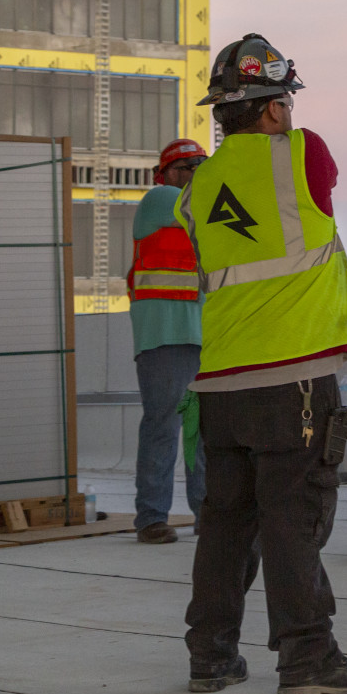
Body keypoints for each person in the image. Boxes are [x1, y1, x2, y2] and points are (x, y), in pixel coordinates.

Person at [177, 33, 347, 694]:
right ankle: (307, 657)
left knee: (226, 521)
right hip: (291, 372)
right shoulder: (303, 153)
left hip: (220, 381)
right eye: (285, 100)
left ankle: (210, 655)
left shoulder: (199, 182)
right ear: (272, 108)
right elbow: (319, 205)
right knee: (293, 518)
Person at [127, 137, 209, 544]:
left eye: (199, 166)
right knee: (164, 425)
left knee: (202, 431)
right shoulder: (160, 199)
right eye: (185, 167)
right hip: (163, 335)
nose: (193, 173)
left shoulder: (204, 212)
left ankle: (207, 513)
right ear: (164, 174)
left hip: (204, 334)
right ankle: (152, 518)